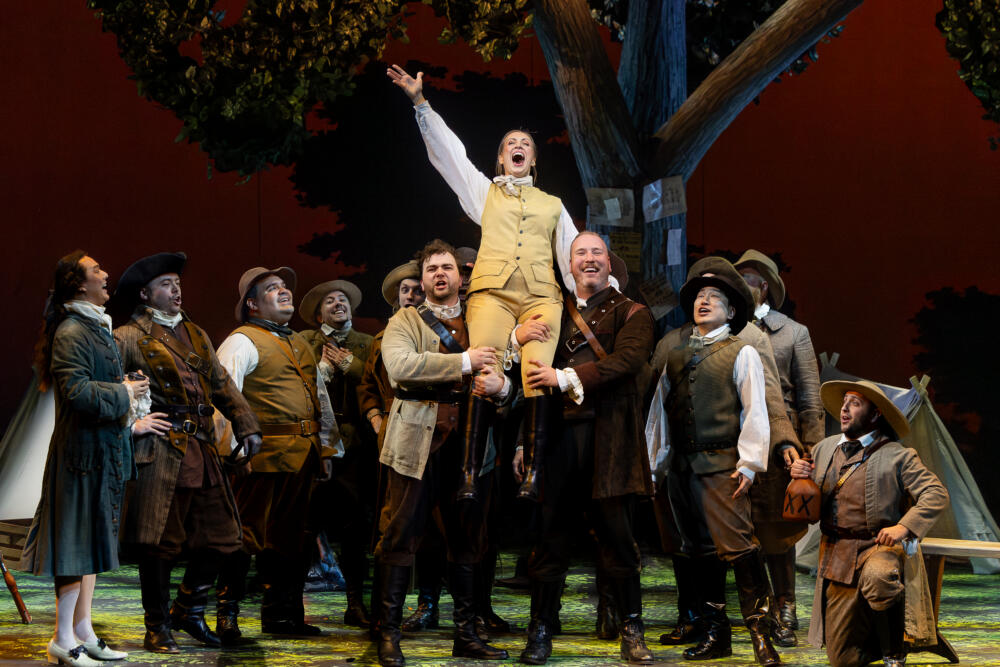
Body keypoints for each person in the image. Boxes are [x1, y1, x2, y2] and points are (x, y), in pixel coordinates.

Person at [388, 64, 578, 502]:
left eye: (525, 145)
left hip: (540, 296)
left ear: (534, 159)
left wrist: (597, 297)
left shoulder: (553, 204)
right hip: (491, 291)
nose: (518, 147)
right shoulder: (484, 193)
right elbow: (450, 156)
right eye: (510, 143)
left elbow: (571, 256)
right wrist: (421, 104)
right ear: (500, 158)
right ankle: (470, 473)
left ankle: (532, 472)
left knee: (536, 375)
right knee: (481, 364)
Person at [647, 256, 801, 654]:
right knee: (697, 551)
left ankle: (761, 634)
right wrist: (656, 468)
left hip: (722, 467)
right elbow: (659, 419)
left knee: (741, 550)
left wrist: (750, 463)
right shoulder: (675, 355)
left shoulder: (743, 350)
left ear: (732, 311)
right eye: (699, 296)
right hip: (681, 470)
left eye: (714, 297)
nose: (704, 301)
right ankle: (716, 634)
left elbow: (756, 410)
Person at [513, 232, 655, 665]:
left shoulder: (635, 313)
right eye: (581, 253)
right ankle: (540, 628)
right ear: (570, 264)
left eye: (597, 253)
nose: (590, 259)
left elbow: (626, 362)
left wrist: (566, 379)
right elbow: (530, 377)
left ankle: (631, 627)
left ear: (610, 263)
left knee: (618, 538)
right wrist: (524, 438)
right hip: (557, 438)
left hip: (610, 439)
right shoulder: (553, 312)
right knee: (550, 537)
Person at [112, 252, 261, 653]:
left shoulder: (194, 333)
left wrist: (246, 424)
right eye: (165, 283)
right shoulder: (128, 336)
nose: (176, 289)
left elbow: (222, 382)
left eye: (177, 282)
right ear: (145, 293)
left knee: (223, 538)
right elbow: (109, 388)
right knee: (159, 542)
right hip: (161, 451)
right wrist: (132, 424)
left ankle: (188, 611)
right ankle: (157, 625)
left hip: (201, 448)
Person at [374, 239, 511, 667]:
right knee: (401, 536)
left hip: (472, 446)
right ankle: (388, 634)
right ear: (423, 277)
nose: (439, 274)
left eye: (446, 266)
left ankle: (467, 634)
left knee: (469, 540)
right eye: (431, 267)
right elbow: (400, 367)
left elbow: (507, 368)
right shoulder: (405, 321)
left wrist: (505, 389)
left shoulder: (483, 319)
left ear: (459, 274)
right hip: (417, 442)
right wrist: (464, 363)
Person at [22, 251, 146, 666]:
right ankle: (62, 638)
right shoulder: (73, 330)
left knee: (92, 544)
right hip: (79, 456)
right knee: (74, 546)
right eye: (97, 270)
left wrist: (126, 386)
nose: (106, 274)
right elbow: (76, 391)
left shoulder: (95, 326)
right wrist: (124, 393)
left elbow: (96, 384)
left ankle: (84, 631)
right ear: (79, 284)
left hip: (101, 453)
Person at [214, 266, 340, 639]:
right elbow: (225, 398)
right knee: (244, 538)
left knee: (294, 540)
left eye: (285, 286)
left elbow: (318, 396)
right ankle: (228, 614)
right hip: (260, 458)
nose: (284, 291)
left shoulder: (299, 341)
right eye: (272, 289)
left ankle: (283, 617)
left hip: (302, 456)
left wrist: (328, 447)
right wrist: (234, 454)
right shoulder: (242, 341)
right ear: (252, 304)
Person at [790, 380, 948, 667]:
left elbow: (935, 493)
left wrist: (904, 527)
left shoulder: (898, 456)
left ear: (875, 414)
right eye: (844, 402)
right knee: (842, 659)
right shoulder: (825, 449)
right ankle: (877, 641)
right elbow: (810, 495)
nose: (845, 408)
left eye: (855, 403)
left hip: (879, 547)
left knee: (880, 577)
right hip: (838, 555)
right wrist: (798, 472)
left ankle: (894, 656)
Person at [735, 248, 824, 639]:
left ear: (765, 286)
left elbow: (809, 399)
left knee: (777, 533)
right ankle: (757, 611)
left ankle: (785, 607)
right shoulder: (727, 326)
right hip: (734, 441)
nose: (742, 285)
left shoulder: (792, 332)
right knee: (742, 532)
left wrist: (814, 452)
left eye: (749, 279)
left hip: (780, 446)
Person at [299, 279, 375, 627]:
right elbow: (298, 382)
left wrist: (350, 365)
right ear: (318, 313)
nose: (337, 304)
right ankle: (291, 606)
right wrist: (324, 370)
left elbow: (378, 382)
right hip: (316, 446)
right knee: (305, 523)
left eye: (342, 299)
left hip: (357, 448)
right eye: (329, 301)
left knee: (356, 528)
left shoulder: (367, 343)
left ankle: (356, 601)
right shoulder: (304, 342)